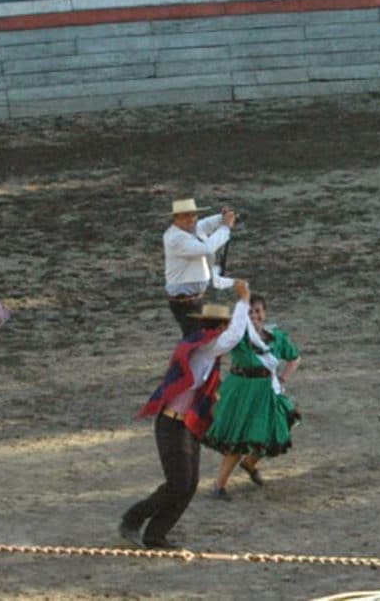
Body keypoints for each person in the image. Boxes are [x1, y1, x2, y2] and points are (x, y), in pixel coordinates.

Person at [120, 279, 250, 550]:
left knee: (187, 485)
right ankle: (133, 519)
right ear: (220, 327)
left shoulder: (202, 348)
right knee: (179, 483)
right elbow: (235, 335)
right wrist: (243, 300)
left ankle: (155, 534)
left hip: (185, 424)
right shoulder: (204, 346)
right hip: (172, 424)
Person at [203, 294, 301, 498]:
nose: (255, 315)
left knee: (273, 431)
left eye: (258, 311)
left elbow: (294, 358)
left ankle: (249, 463)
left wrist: (283, 379)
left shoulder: (277, 338)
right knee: (239, 439)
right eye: (250, 312)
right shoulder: (237, 337)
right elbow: (214, 346)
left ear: (264, 313)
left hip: (267, 391)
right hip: (241, 392)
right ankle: (219, 486)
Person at [163, 198, 238, 337]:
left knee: (199, 337)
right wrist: (225, 227)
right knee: (195, 337)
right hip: (184, 300)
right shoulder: (175, 238)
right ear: (176, 219)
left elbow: (206, 224)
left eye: (193, 215)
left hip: (195, 297)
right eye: (185, 215)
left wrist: (222, 216)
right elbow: (207, 248)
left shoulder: (191, 229)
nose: (191, 219)